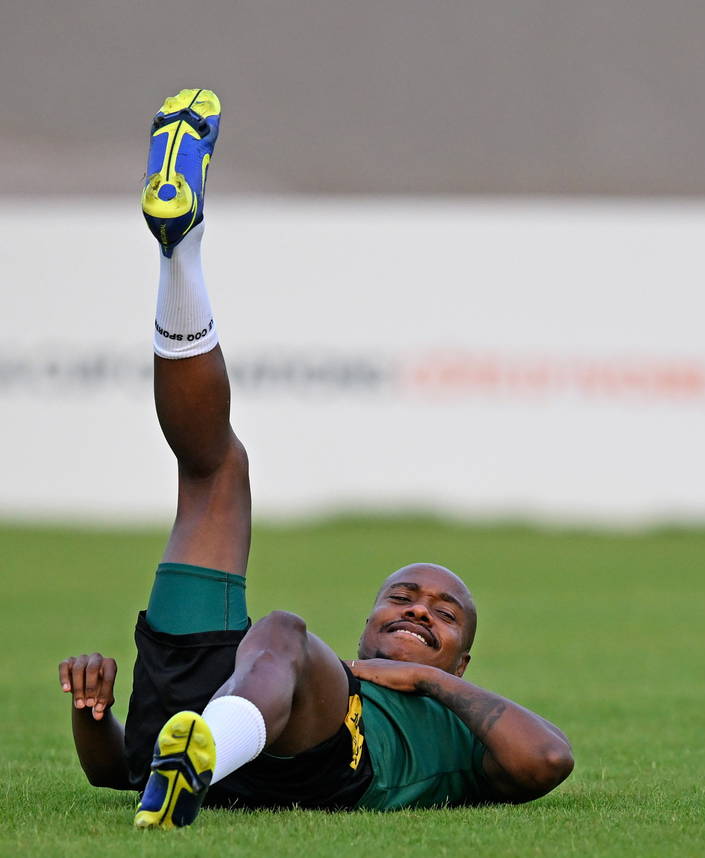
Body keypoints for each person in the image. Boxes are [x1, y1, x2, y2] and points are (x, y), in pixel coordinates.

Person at [58, 89, 574, 829]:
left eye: (444, 614)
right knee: (216, 471)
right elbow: (123, 767)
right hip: (235, 712)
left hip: (334, 760)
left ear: (464, 662)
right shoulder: (312, 675)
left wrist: (428, 686)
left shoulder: (458, 731)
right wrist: (92, 717)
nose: (418, 610)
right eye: (402, 598)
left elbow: (549, 759)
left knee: (281, 631)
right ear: (367, 625)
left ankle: (207, 749)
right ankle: (179, 252)